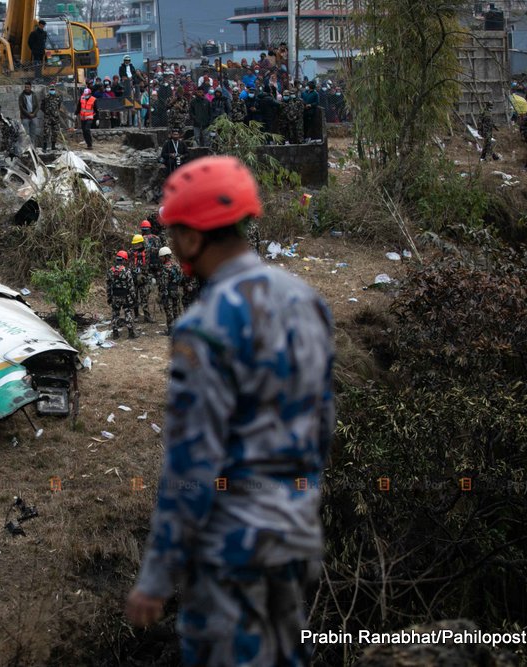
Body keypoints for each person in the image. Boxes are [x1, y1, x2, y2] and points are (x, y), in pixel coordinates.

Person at [126, 156, 335, 667]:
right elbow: (322, 425)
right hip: (295, 535)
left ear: (194, 239)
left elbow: (192, 465)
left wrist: (155, 577)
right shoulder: (305, 300)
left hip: (231, 551)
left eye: (174, 234)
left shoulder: (204, 328)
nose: (171, 245)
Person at [106, 250, 137, 340]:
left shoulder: (110, 271)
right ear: (123, 260)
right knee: (128, 312)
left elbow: (108, 286)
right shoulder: (126, 271)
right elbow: (131, 286)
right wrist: (134, 298)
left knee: (115, 314)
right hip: (125, 296)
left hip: (115, 296)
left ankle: (115, 333)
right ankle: (131, 333)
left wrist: (109, 297)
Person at [155, 247, 182, 335]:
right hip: (176, 290)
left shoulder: (165, 268)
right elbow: (180, 278)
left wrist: (161, 295)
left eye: (161, 257)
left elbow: (164, 283)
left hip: (168, 292)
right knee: (176, 310)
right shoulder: (177, 265)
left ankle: (170, 330)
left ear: (166, 256)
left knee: (169, 311)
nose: (160, 259)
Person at [130, 234, 152, 323]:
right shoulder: (131, 253)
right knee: (134, 298)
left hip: (144, 278)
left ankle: (147, 316)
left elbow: (147, 265)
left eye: (138, 244)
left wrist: (143, 274)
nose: (136, 246)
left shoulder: (146, 252)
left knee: (145, 298)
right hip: (134, 279)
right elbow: (130, 265)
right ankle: (136, 316)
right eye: (135, 245)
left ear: (141, 243)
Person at [40, 84, 62, 150]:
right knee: (46, 132)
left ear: (55, 90)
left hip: (55, 117)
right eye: (51, 89)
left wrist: (55, 113)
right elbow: (42, 106)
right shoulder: (46, 97)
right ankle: (44, 146)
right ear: (49, 90)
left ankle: (53, 146)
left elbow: (59, 106)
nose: (52, 91)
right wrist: (46, 112)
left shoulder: (58, 97)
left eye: (53, 89)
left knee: (55, 132)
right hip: (48, 117)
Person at [19, 81, 40, 147]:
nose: (26, 88)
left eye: (28, 87)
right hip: (25, 117)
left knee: (33, 133)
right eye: (25, 87)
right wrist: (28, 114)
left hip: (33, 117)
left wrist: (33, 113)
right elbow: (21, 107)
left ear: (30, 87)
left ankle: (32, 147)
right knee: (26, 133)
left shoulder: (34, 95)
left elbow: (37, 106)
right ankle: (26, 147)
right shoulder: (21, 96)